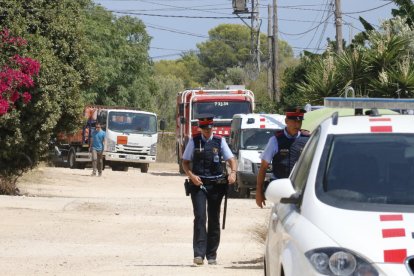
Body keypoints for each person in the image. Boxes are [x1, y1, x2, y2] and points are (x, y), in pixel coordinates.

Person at [182, 114, 237, 266]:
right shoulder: (194, 141)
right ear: (200, 128)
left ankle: (211, 254)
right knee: (200, 217)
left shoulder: (220, 141)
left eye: (209, 128)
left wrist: (233, 173)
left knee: (214, 219)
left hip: (216, 186)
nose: (207, 131)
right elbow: (185, 162)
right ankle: (198, 254)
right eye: (204, 128)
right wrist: (191, 176)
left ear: (213, 127)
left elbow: (231, 160)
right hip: (198, 184)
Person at [255, 108, 310, 208]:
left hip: (301, 189)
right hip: (280, 189)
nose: (297, 125)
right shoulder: (275, 140)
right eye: (294, 121)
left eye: (299, 121)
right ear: (286, 121)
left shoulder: (307, 139)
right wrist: (259, 192)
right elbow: (263, 167)